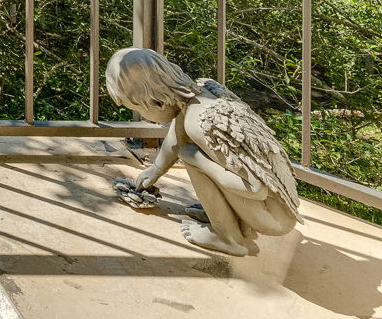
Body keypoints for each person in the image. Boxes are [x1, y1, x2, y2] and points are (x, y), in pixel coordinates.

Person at [103, 47, 300, 257]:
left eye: (139, 109)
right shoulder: (201, 93)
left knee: (191, 154)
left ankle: (228, 238)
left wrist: (195, 158)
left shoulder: (199, 124)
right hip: (270, 209)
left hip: (270, 218)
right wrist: (156, 169)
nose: (142, 115)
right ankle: (231, 218)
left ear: (154, 100)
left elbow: (255, 188)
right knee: (191, 152)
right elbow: (177, 134)